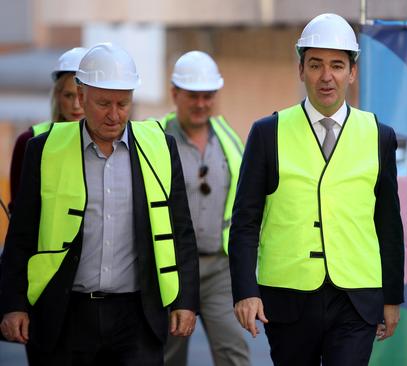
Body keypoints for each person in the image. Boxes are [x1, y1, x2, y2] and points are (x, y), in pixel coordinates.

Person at [0, 43, 200, 365]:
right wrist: (13, 304)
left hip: (137, 317)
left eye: (123, 104)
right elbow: (21, 235)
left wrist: (186, 300)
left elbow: (181, 230)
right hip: (66, 314)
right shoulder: (43, 150)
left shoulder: (161, 147)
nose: (114, 114)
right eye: (103, 103)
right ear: (80, 97)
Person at [228, 13, 405, 366]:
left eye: (337, 66)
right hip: (288, 299)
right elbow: (245, 221)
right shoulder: (267, 133)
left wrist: (391, 298)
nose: (327, 77)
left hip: (356, 298)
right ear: (301, 70)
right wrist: (246, 292)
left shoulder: (378, 135)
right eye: (316, 65)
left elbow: (388, 223)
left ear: (352, 72)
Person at [159, 50, 250, 366]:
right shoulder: (154, 139)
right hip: (169, 271)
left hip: (219, 268)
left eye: (208, 96)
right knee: (167, 355)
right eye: (193, 96)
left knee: (234, 352)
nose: (201, 104)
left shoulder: (229, 139)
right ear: (174, 94)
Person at [8, 47, 87, 212]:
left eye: (82, 96)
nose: (76, 105)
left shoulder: (111, 144)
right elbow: (18, 209)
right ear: (57, 96)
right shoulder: (29, 140)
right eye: (68, 95)